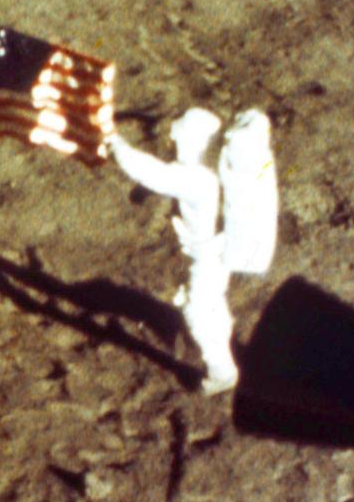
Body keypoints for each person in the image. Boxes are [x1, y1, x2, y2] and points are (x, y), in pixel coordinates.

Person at [106, 107, 277, 395]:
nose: (173, 140)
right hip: (216, 251)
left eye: (178, 135)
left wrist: (115, 142)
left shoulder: (196, 179)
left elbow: (151, 173)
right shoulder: (203, 170)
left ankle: (222, 372)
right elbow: (165, 178)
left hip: (208, 258)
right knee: (210, 302)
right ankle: (222, 336)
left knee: (198, 311)